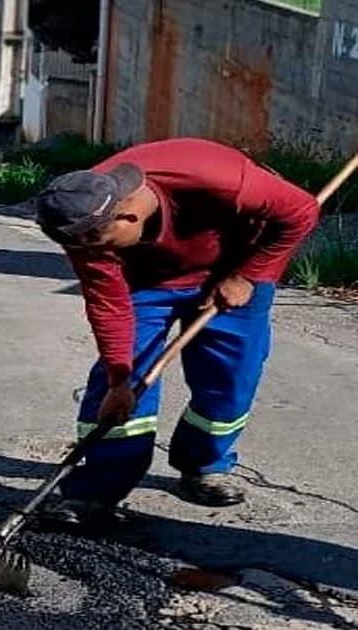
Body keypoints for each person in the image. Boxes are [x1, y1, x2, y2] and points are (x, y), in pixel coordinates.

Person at [25, 137, 320, 529]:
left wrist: (249, 276)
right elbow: (108, 304)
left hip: (233, 270)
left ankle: (204, 465)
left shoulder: (218, 179)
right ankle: (95, 491)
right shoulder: (79, 215)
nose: (86, 253)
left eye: (95, 244)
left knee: (230, 377)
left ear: (128, 216)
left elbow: (301, 210)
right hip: (145, 283)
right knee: (127, 378)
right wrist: (118, 379)